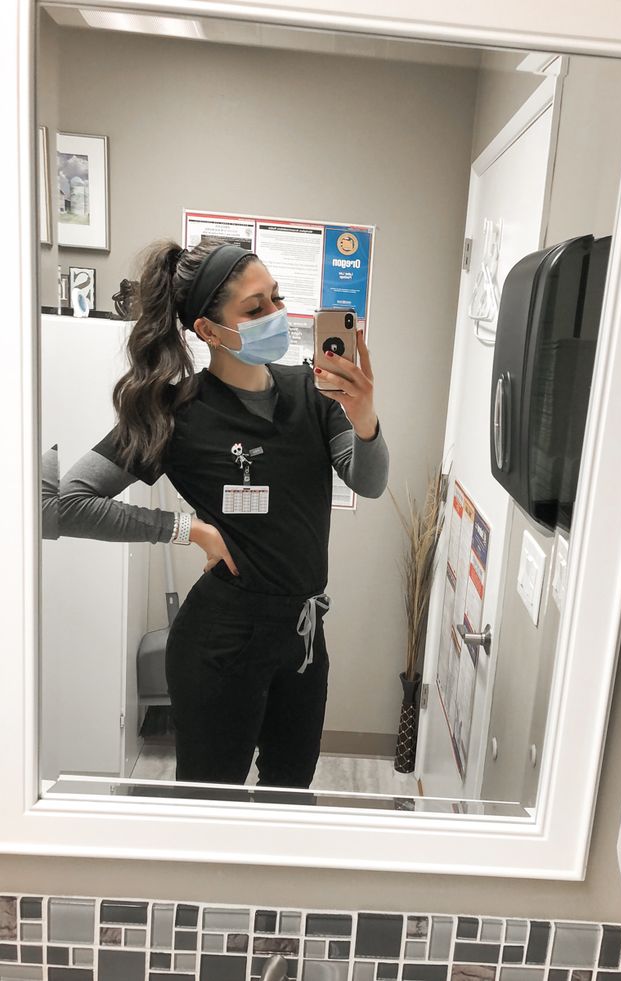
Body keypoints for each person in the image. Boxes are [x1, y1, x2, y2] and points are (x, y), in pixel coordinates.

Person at [57, 239, 389, 789]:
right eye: (256, 309)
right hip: (220, 643)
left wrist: (367, 419)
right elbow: (66, 503)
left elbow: (369, 482)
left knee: (290, 791)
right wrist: (184, 529)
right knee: (211, 805)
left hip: (304, 639)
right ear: (209, 331)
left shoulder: (313, 392)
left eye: (278, 300)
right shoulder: (176, 413)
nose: (277, 316)